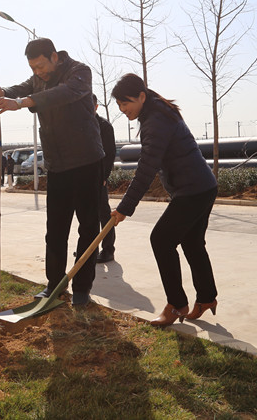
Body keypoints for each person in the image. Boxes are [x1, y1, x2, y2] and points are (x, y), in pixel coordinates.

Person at [0, 38, 104, 306]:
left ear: (54, 56)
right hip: (57, 163)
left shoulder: (79, 72)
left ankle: (83, 288)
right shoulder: (37, 78)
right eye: (33, 68)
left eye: (40, 66)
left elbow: (62, 94)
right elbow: (20, 88)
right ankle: (54, 284)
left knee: (87, 227)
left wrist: (19, 102)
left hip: (86, 160)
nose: (37, 72)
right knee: (55, 229)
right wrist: (0, 90)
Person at [109, 73, 219, 326]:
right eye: (119, 106)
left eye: (126, 103)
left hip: (193, 190)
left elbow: (146, 168)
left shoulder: (155, 120)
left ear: (141, 96)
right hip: (201, 186)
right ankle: (206, 297)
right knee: (192, 242)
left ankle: (177, 304)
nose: (123, 110)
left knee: (161, 239)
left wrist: (125, 208)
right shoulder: (156, 112)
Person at [94, 94, 117, 263]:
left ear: (96, 107)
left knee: (103, 214)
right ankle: (90, 249)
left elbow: (110, 154)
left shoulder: (104, 126)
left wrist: (104, 176)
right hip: (83, 178)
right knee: (87, 215)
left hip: (99, 177)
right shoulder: (80, 125)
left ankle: (108, 249)